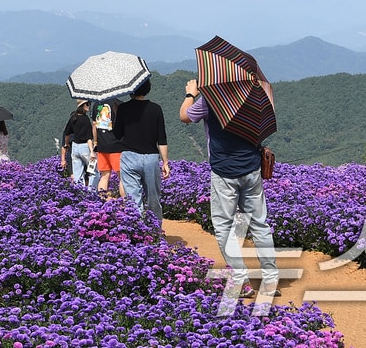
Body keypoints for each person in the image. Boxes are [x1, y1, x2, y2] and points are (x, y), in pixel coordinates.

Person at [180, 78, 279, 300]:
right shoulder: (254, 98)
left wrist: (191, 94)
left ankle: (241, 281)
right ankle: (271, 281)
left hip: (224, 171)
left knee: (224, 226)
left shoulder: (211, 99)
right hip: (251, 168)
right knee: (260, 224)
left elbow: (185, 116)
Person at [113, 79, 169, 222]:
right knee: (153, 198)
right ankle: (155, 229)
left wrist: (118, 114)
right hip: (151, 157)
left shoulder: (123, 108)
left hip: (129, 156)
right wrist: (165, 162)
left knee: (133, 199)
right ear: (148, 89)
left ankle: (138, 229)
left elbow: (117, 134)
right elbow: (162, 138)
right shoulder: (156, 109)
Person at [63, 99, 99, 189]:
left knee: (77, 174)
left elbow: (67, 133)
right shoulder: (85, 119)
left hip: (75, 147)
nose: (89, 106)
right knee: (94, 172)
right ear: (82, 106)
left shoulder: (73, 118)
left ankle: (79, 193)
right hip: (85, 148)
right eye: (87, 104)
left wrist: (66, 144)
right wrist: (92, 151)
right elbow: (88, 138)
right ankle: (91, 192)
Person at [92, 100, 124, 199]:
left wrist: (95, 142)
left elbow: (94, 125)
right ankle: (125, 202)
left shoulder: (96, 104)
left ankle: (102, 201)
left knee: (104, 176)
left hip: (102, 146)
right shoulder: (119, 104)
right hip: (117, 146)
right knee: (122, 177)